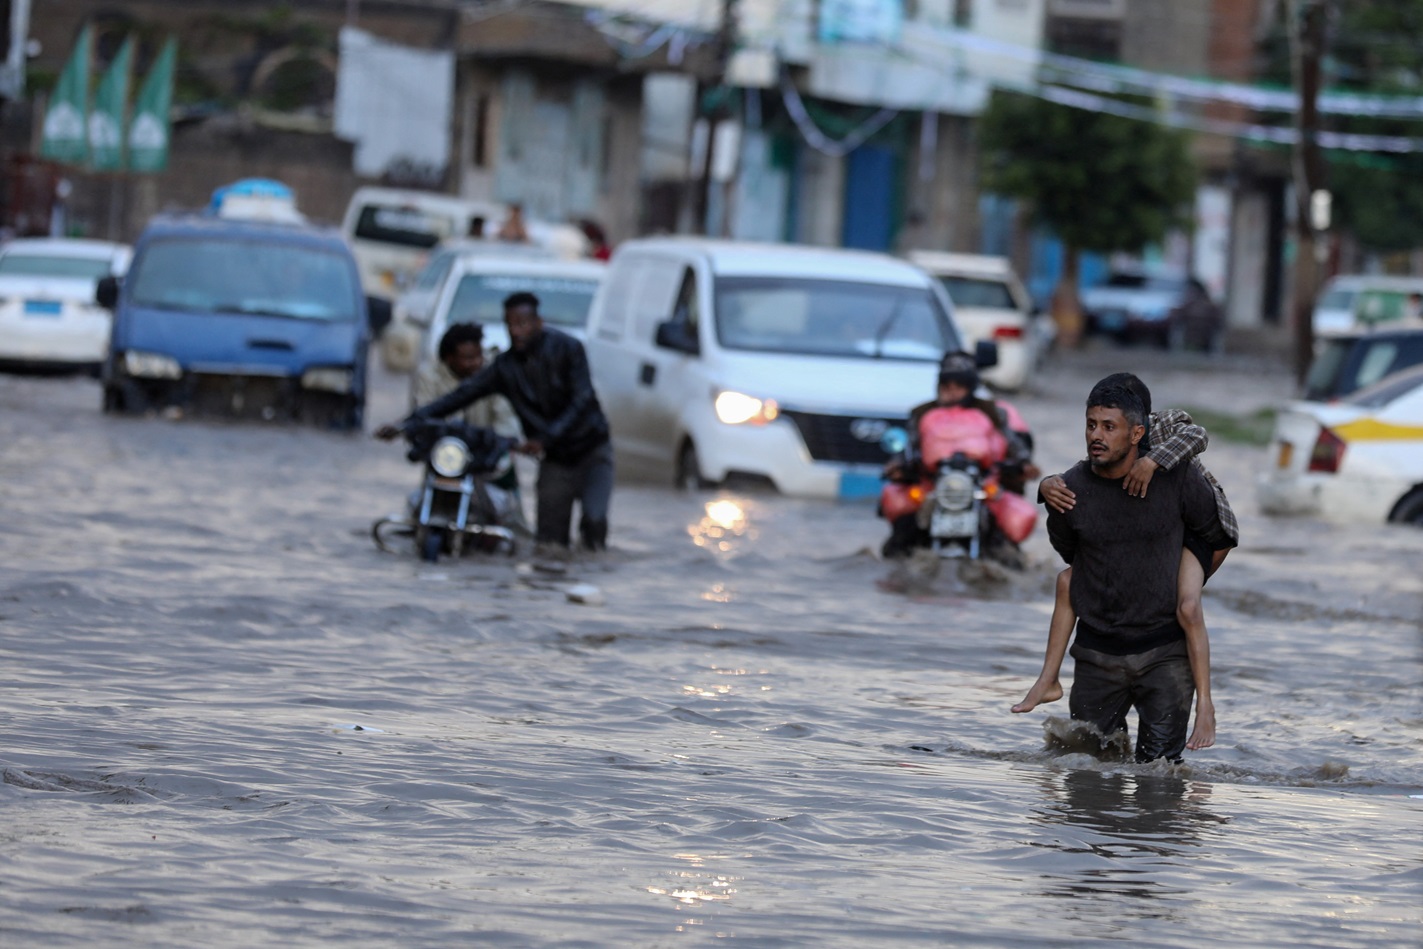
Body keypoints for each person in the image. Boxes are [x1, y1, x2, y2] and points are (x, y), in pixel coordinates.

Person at [1013, 372, 1238, 755]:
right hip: (1097, 656)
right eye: (1091, 425)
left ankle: (1206, 709)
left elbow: (1218, 537)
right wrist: (1043, 487)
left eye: (1108, 427)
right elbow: (1072, 556)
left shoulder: (1177, 473)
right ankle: (1047, 679)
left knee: (1161, 780)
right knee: (1085, 775)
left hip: (1165, 654)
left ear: (1137, 432)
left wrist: (1182, 581)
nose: (1096, 435)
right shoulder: (1070, 490)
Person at [378, 291, 613, 551]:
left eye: (522, 323)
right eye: (509, 325)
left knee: (594, 520)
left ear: (538, 322)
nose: (515, 331)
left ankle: (590, 572)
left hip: (592, 451)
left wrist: (541, 439)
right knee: (549, 545)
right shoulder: (504, 367)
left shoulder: (569, 348)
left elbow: (582, 400)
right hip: (554, 459)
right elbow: (457, 398)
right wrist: (405, 424)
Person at [881, 351, 1038, 558]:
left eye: (959, 387)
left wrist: (1024, 463)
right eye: (947, 387)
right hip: (933, 486)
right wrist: (898, 466)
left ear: (970, 388)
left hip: (979, 485)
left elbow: (1011, 442)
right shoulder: (922, 413)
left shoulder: (991, 412)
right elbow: (909, 446)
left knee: (1005, 547)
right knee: (901, 537)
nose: (952, 392)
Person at [412, 323, 525, 516]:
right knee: (422, 499)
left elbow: (506, 416)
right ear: (449, 358)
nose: (476, 362)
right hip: (447, 453)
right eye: (468, 358)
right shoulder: (429, 376)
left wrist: (505, 439)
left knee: (510, 514)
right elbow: (423, 413)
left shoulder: (494, 374)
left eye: (478, 356)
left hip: (486, 451)